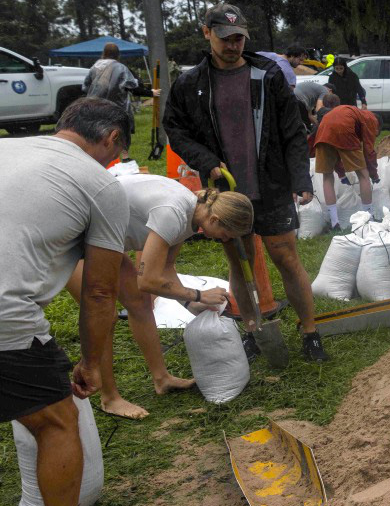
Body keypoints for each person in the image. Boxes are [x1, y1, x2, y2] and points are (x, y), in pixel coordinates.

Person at [0, 98, 132, 506]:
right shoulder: (100, 184)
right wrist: (92, 364)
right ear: (112, 139)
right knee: (56, 421)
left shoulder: (8, 149)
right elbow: (100, 289)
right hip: (4, 313)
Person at [162, 2, 329, 362]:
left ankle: (310, 331)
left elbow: (293, 133)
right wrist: (207, 162)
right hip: (226, 189)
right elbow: (175, 130)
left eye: (239, 38)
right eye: (224, 37)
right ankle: (253, 330)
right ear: (207, 33)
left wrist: (301, 177)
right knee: (239, 261)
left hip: (270, 183)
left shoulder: (266, 75)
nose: (233, 45)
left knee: (285, 255)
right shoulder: (191, 84)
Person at [63, 175, 252, 418]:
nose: (223, 240)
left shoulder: (193, 214)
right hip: (74, 237)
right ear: (214, 219)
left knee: (140, 303)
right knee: (103, 314)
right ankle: (109, 398)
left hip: (104, 240)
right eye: (225, 234)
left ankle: (161, 378)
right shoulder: (173, 213)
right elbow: (148, 280)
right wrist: (198, 293)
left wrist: (189, 302)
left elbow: (165, 268)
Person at [312, 103, 381, 226]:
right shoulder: (371, 119)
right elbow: (368, 150)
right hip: (344, 126)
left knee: (327, 176)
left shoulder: (357, 114)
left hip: (323, 130)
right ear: (377, 126)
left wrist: (342, 175)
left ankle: (334, 222)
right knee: (363, 174)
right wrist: (374, 174)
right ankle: (368, 218)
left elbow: (337, 150)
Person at [83, 42, 159, 122]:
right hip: (116, 113)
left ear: (104, 53)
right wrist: (151, 93)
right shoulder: (121, 68)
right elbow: (134, 89)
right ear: (118, 54)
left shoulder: (94, 67)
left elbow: (85, 88)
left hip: (95, 110)